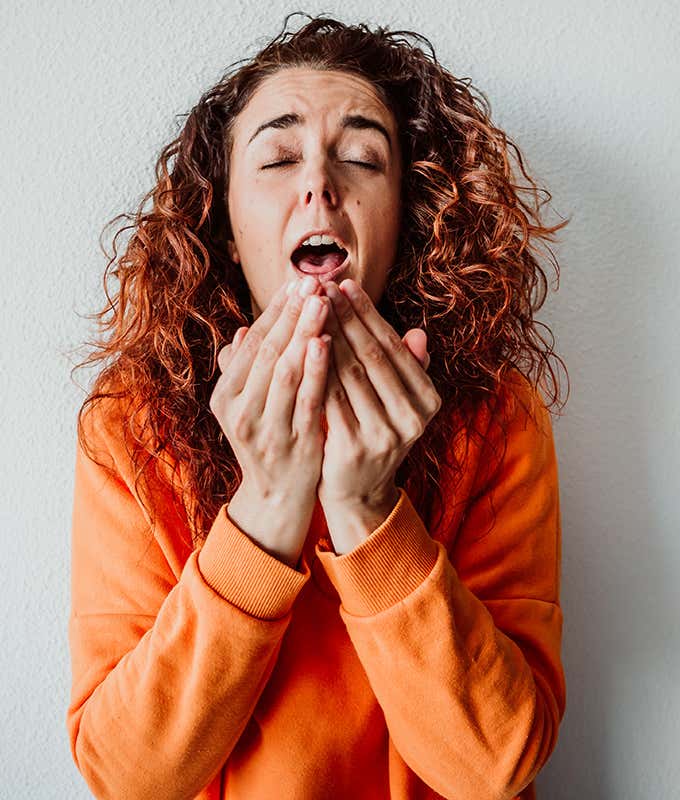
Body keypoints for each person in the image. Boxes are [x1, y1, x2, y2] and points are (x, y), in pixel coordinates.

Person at [67, 13, 570, 800]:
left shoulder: (495, 419)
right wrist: (266, 508)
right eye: (276, 155)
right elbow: (130, 777)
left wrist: (369, 514)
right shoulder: (132, 426)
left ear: (405, 218)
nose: (319, 183)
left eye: (363, 156)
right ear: (226, 227)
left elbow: (496, 767)